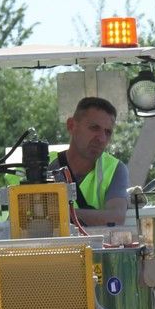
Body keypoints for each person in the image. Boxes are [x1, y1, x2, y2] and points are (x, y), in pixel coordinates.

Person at [53, 97, 129, 226]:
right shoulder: (43, 166)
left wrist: (56, 215)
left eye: (108, 132)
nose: (102, 138)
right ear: (71, 126)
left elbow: (116, 218)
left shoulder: (115, 169)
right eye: (94, 128)